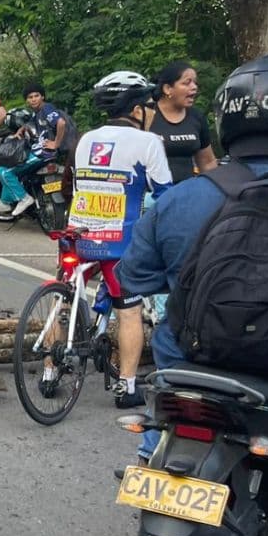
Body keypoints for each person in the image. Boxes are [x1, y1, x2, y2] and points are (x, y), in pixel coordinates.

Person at [121, 55, 268, 463]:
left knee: (162, 423)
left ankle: (150, 457)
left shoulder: (177, 200)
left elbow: (134, 278)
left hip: (190, 362)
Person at [65, 71, 173, 408]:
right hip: (119, 243)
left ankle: (50, 370)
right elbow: (165, 195)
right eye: (148, 105)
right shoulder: (148, 142)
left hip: (78, 235)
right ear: (137, 108)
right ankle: (127, 388)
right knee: (129, 311)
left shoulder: (85, 139)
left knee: (67, 300)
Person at [0, 85, 70, 217]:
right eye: (30, 97)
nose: (33, 99)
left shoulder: (46, 109)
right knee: (5, 169)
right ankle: (5, 202)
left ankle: (24, 198)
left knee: (4, 172)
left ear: (43, 97)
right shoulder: (37, 112)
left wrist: (56, 143)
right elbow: (30, 123)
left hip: (43, 153)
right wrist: (21, 130)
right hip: (39, 152)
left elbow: (61, 123)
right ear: (27, 100)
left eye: (36, 96)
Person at [150, 60, 218, 181]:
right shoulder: (148, 116)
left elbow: (208, 163)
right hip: (154, 196)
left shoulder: (197, 117)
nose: (194, 87)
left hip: (188, 193)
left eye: (195, 83)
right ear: (167, 89)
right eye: (187, 83)